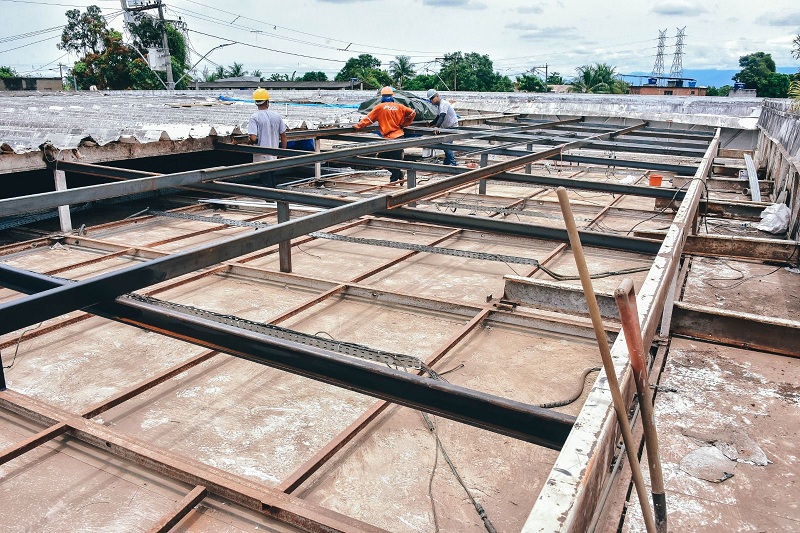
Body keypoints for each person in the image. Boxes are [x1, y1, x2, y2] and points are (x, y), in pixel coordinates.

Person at [353, 86, 416, 182]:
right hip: (399, 136)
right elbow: (412, 113)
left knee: (382, 158)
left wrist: (358, 126)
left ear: (381, 96)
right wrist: (405, 123)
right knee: (396, 162)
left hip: (387, 139)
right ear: (392, 96)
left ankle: (393, 182)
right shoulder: (399, 106)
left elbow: (368, 119)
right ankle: (398, 174)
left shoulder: (379, 107)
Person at [247, 87, 288, 187]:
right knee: (271, 178)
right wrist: (282, 152)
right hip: (274, 154)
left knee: (266, 180)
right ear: (267, 102)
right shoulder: (276, 116)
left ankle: (271, 199)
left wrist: (245, 142)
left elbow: (253, 138)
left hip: (262, 157)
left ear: (256, 102)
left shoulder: (254, 117)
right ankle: (274, 197)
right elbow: (283, 136)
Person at [427, 88, 459, 166]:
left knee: (447, 146)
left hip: (452, 127)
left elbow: (442, 116)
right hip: (447, 128)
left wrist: (436, 127)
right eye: (430, 99)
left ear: (437, 96)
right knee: (446, 145)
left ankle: (453, 162)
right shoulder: (439, 106)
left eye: (432, 98)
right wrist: (431, 124)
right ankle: (448, 160)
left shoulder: (443, 103)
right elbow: (438, 117)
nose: (431, 101)